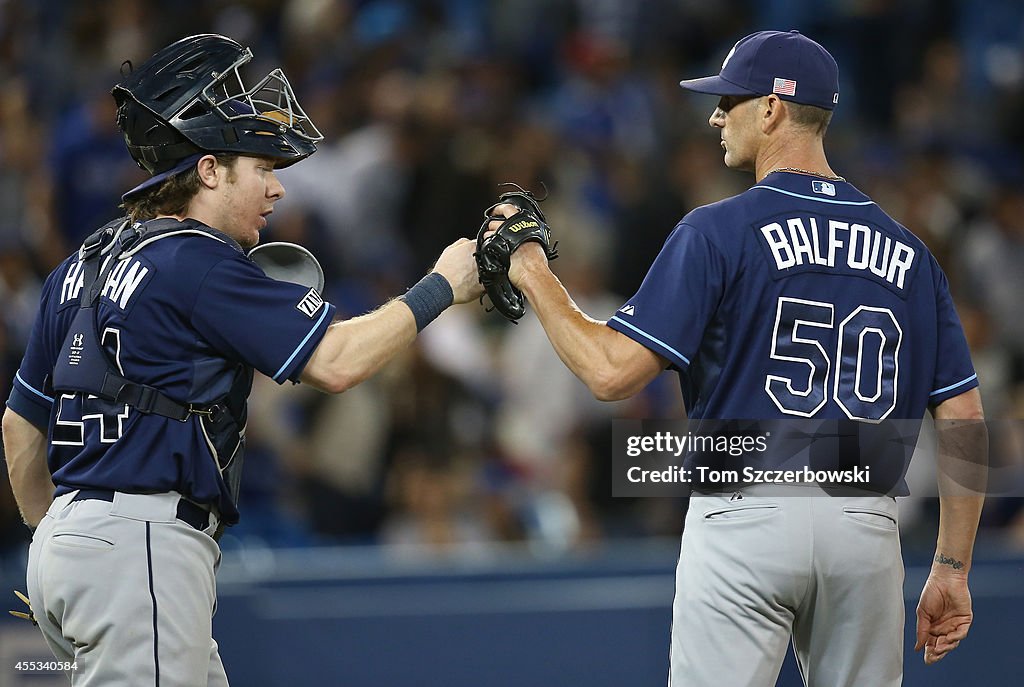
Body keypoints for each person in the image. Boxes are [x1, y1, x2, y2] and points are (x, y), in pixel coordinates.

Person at [491, 30, 985, 686]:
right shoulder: (911, 255)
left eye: (729, 100)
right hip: (865, 523)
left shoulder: (716, 230)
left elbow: (610, 372)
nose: (716, 116)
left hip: (747, 509)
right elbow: (965, 412)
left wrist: (531, 270)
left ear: (773, 109)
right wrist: (952, 567)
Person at [2, 34, 481, 686]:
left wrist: (59, 537)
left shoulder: (78, 265)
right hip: (138, 543)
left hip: (70, 547)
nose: (277, 189)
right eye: (261, 167)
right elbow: (337, 361)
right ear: (207, 170)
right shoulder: (195, 259)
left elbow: (19, 427)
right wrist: (443, 285)